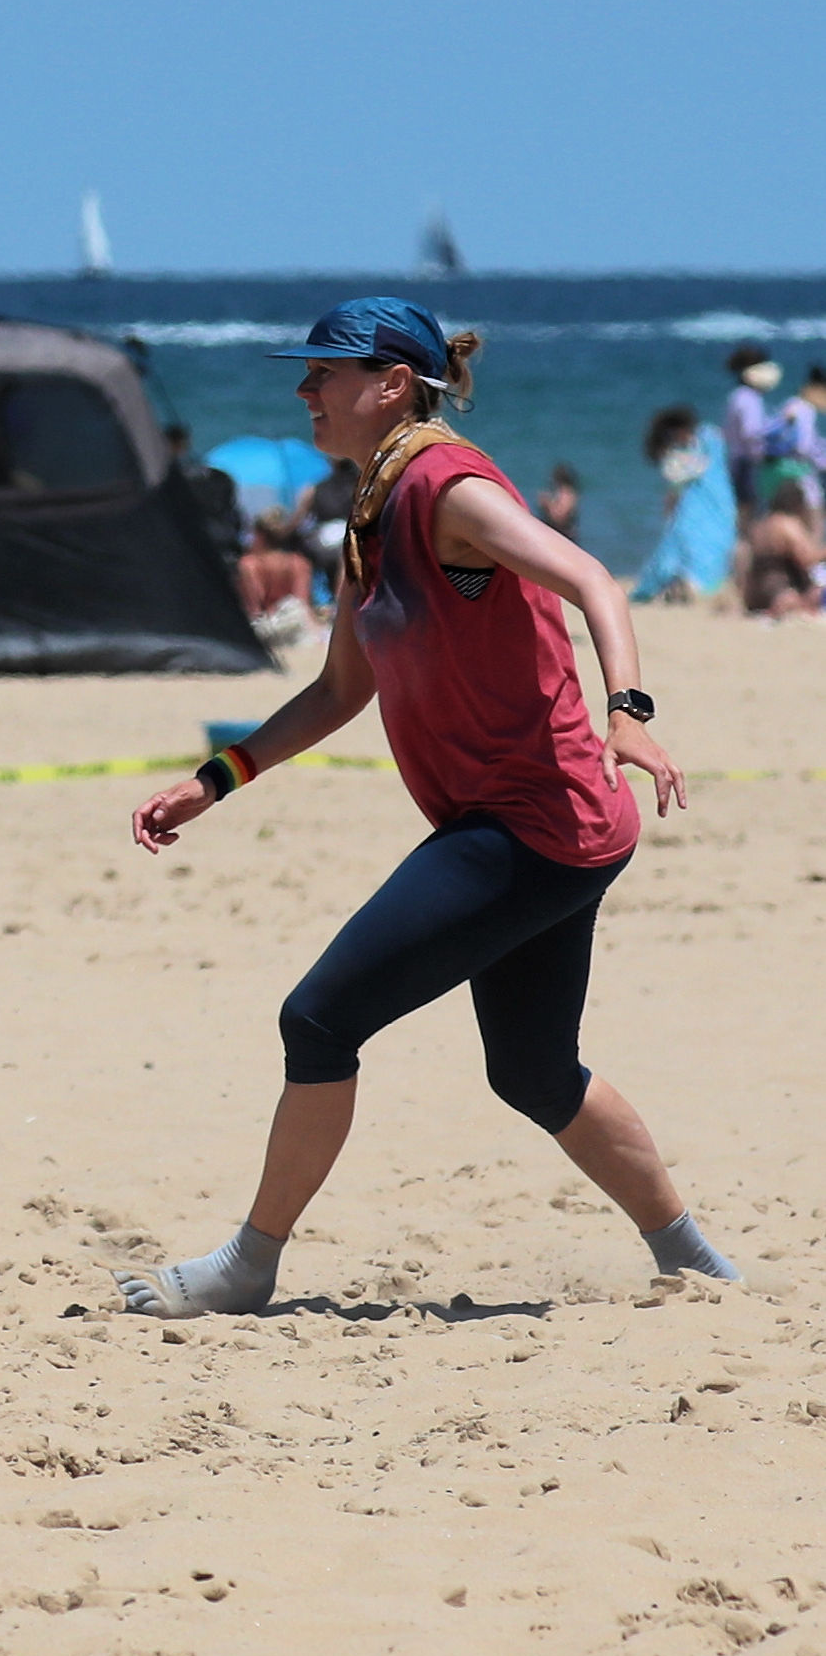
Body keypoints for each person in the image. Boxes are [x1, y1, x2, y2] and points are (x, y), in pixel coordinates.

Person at [119, 295, 736, 1320]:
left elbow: (593, 580)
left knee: (318, 1019)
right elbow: (338, 690)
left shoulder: (449, 489)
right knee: (533, 1071)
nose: (304, 390)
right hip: (540, 826)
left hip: (534, 823)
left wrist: (627, 713)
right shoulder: (370, 512)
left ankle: (247, 1266)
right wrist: (215, 779)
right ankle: (702, 1269)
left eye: (323, 373)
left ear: (393, 385)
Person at [634, 405, 737, 601]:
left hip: (711, 505)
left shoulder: (704, 439)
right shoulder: (703, 441)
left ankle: (685, 585)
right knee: (690, 548)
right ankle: (687, 585)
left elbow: (675, 489)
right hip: (705, 507)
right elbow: (675, 490)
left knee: (698, 547)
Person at [739, 481, 824, 617]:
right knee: (816, 594)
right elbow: (807, 558)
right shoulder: (787, 524)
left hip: (754, 593)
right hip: (781, 591)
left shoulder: (760, 525)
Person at [722, 343, 779, 516]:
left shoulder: (738, 395)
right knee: (749, 509)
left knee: (744, 507)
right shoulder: (748, 398)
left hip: (738, 459)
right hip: (748, 462)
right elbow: (751, 432)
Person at [536, 462, 581, 541]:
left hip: (563, 536)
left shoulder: (567, 494)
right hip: (560, 535)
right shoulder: (565, 493)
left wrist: (547, 505)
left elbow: (559, 517)